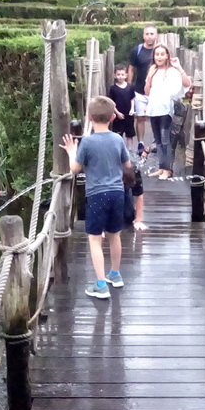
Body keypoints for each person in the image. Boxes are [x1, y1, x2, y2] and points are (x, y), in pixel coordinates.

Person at [60, 96, 133, 300]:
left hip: (97, 195)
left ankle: (101, 284)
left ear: (90, 117)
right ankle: (115, 274)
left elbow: (74, 169)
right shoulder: (118, 139)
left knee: (94, 239)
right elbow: (127, 165)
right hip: (117, 193)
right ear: (112, 118)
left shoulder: (88, 142)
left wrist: (71, 151)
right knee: (114, 234)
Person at [108, 64, 148, 230]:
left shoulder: (130, 87)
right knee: (118, 134)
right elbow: (111, 102)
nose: (121, 76)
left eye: (123, 74)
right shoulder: (112, 88)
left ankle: (129, 153)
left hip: (128, 114)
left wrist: (132, 110)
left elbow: (132, 99)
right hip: (118, 114)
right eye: (118, 74)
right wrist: (116, 113)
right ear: (115, 75)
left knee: (129, 134)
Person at [144, 44, 192, 181]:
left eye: (162, 54)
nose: (159, 57)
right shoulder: (152, 70)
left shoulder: (172, 71)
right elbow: (147, 91)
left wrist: (179, 67)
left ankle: (168, 169)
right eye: (156, 54)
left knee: (166, 139)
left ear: (167, 56)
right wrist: (149, 76)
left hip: (167, 109)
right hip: (154, 109)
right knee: (158, 140)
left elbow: (187, 83)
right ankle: (161, 167)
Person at [127, 24, 158, 157]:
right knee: (140, 118)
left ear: (156, 35)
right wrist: (129, 87)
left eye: (152, 34)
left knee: (157, 117)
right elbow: (131, 68)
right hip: (139, 90)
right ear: (143, 35)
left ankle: (157, 143)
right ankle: (140, 143)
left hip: (157, 91)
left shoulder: (159, 50)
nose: (149, 36)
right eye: (147, 34)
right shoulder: (137, 50)